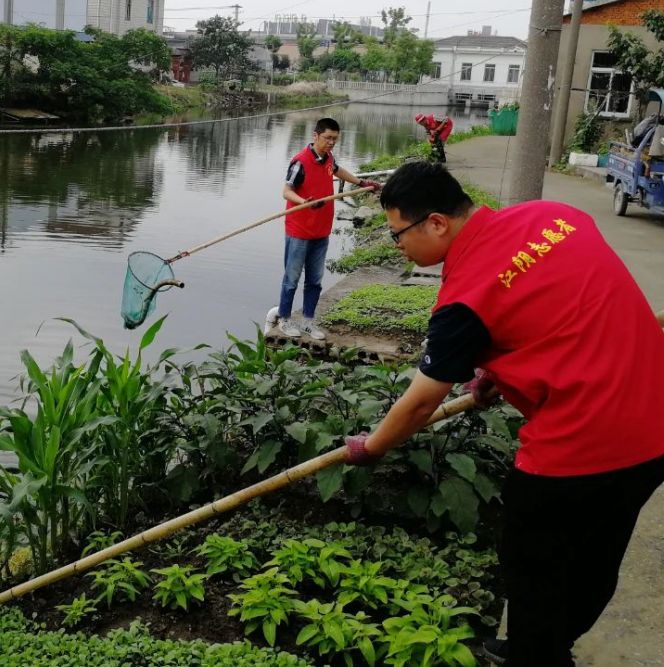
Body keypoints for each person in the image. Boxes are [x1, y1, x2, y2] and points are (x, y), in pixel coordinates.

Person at [343, 160, 664, 667]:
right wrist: (502, 367)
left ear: (437, 223)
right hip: (655, 427)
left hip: (583, 442)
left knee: (530, 561)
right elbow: (556, 303)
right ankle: (549, 644)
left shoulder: (462, 301)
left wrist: (373, 446)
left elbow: (423, 400)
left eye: (398, 232)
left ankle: (539, 654)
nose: (396, 245)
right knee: (597, 554)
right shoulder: (555, 216)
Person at [276, 117, 380, 339]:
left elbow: (337, 170)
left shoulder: (328, 158)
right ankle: (284, 319)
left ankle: (308, 321)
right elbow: (286, 191)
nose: (331, 142)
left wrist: (362, 184)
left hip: (321, 230)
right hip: (299, 230)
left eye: (335, 139)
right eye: (327, 138)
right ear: (315, 136)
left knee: (315, 279)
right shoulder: (300, 162)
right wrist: (304, 202)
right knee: (291, 278)